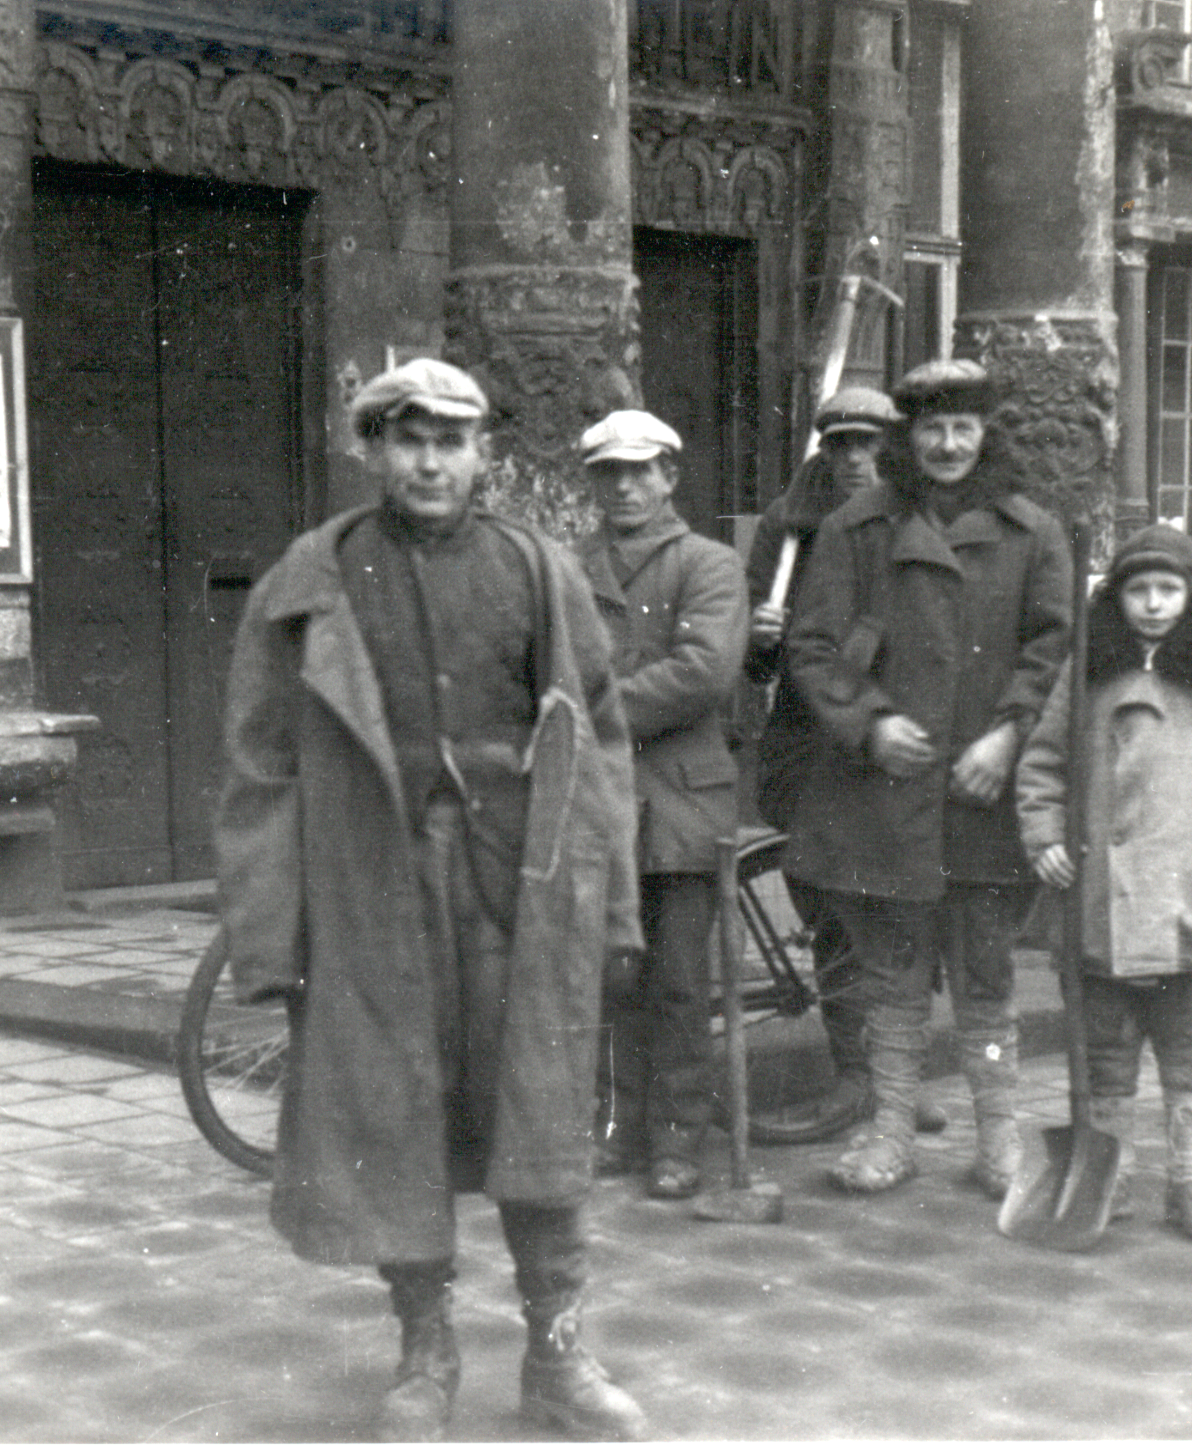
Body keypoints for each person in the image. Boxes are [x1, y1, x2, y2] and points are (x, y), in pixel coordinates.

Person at [213, 358, 648, 1442]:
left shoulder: (536, 570)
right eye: (407, 439)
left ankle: (557, 1357)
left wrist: (617, 908)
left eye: (451, 441)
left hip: (519, 894)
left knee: (538, 1111)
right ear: (372, 450)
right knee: (393, 1123)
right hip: (373, 892)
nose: (430, 461)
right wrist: (268, 942)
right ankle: (425, 1355)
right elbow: (259, 772)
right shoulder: (313, 579)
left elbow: (600, 746)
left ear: (482, 453)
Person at [786, 358, 1072, 1199]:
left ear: (987, 434)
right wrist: (869, 721)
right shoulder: (857, 529)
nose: (948, 445)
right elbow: (812, 644)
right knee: (893, 973)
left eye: (964, 428)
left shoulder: (1031, 533)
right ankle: (891, 1132)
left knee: (985, 976)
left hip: (983, 797)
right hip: (886, 794)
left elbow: (1057, 648)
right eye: (932, 429)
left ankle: (999, 1141)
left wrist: (1011, 737)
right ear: (908, 435)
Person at [1016, 525, 1192, 1246]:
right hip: (1103, 901)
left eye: (1168, 590)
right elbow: (1044, 763)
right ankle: (1108, 1181)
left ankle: (1190, 1179)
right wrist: (1045, 836)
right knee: (1106, 1046)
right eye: (1138, 590)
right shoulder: (1087, 672)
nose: (1152, 604)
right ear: (1118, 599)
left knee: (1189, 1044)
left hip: (1191, 895)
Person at [743, 385, 943, 1133]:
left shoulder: (916, 519)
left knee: (899, 908)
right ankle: (853, 1073)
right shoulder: (786, 528)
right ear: (823, 451)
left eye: (869, 444)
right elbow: (757, 666)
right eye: (840, 445)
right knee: (830, 910)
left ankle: (897, 1071)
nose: (856, 459)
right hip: (809, 740)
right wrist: (758, 639)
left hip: (893, 732)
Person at [578, 409, 749, 1200]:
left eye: (640, 470)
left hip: (681, 802)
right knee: (609, 977)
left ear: (669, 477)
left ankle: (679, 1138)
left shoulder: (708, 565)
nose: (625, 486)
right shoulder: (569, 570)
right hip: (600, 801)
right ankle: (620, 1125)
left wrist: (592, 708)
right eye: (609, 472)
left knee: (679, 981)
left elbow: (704, 673)